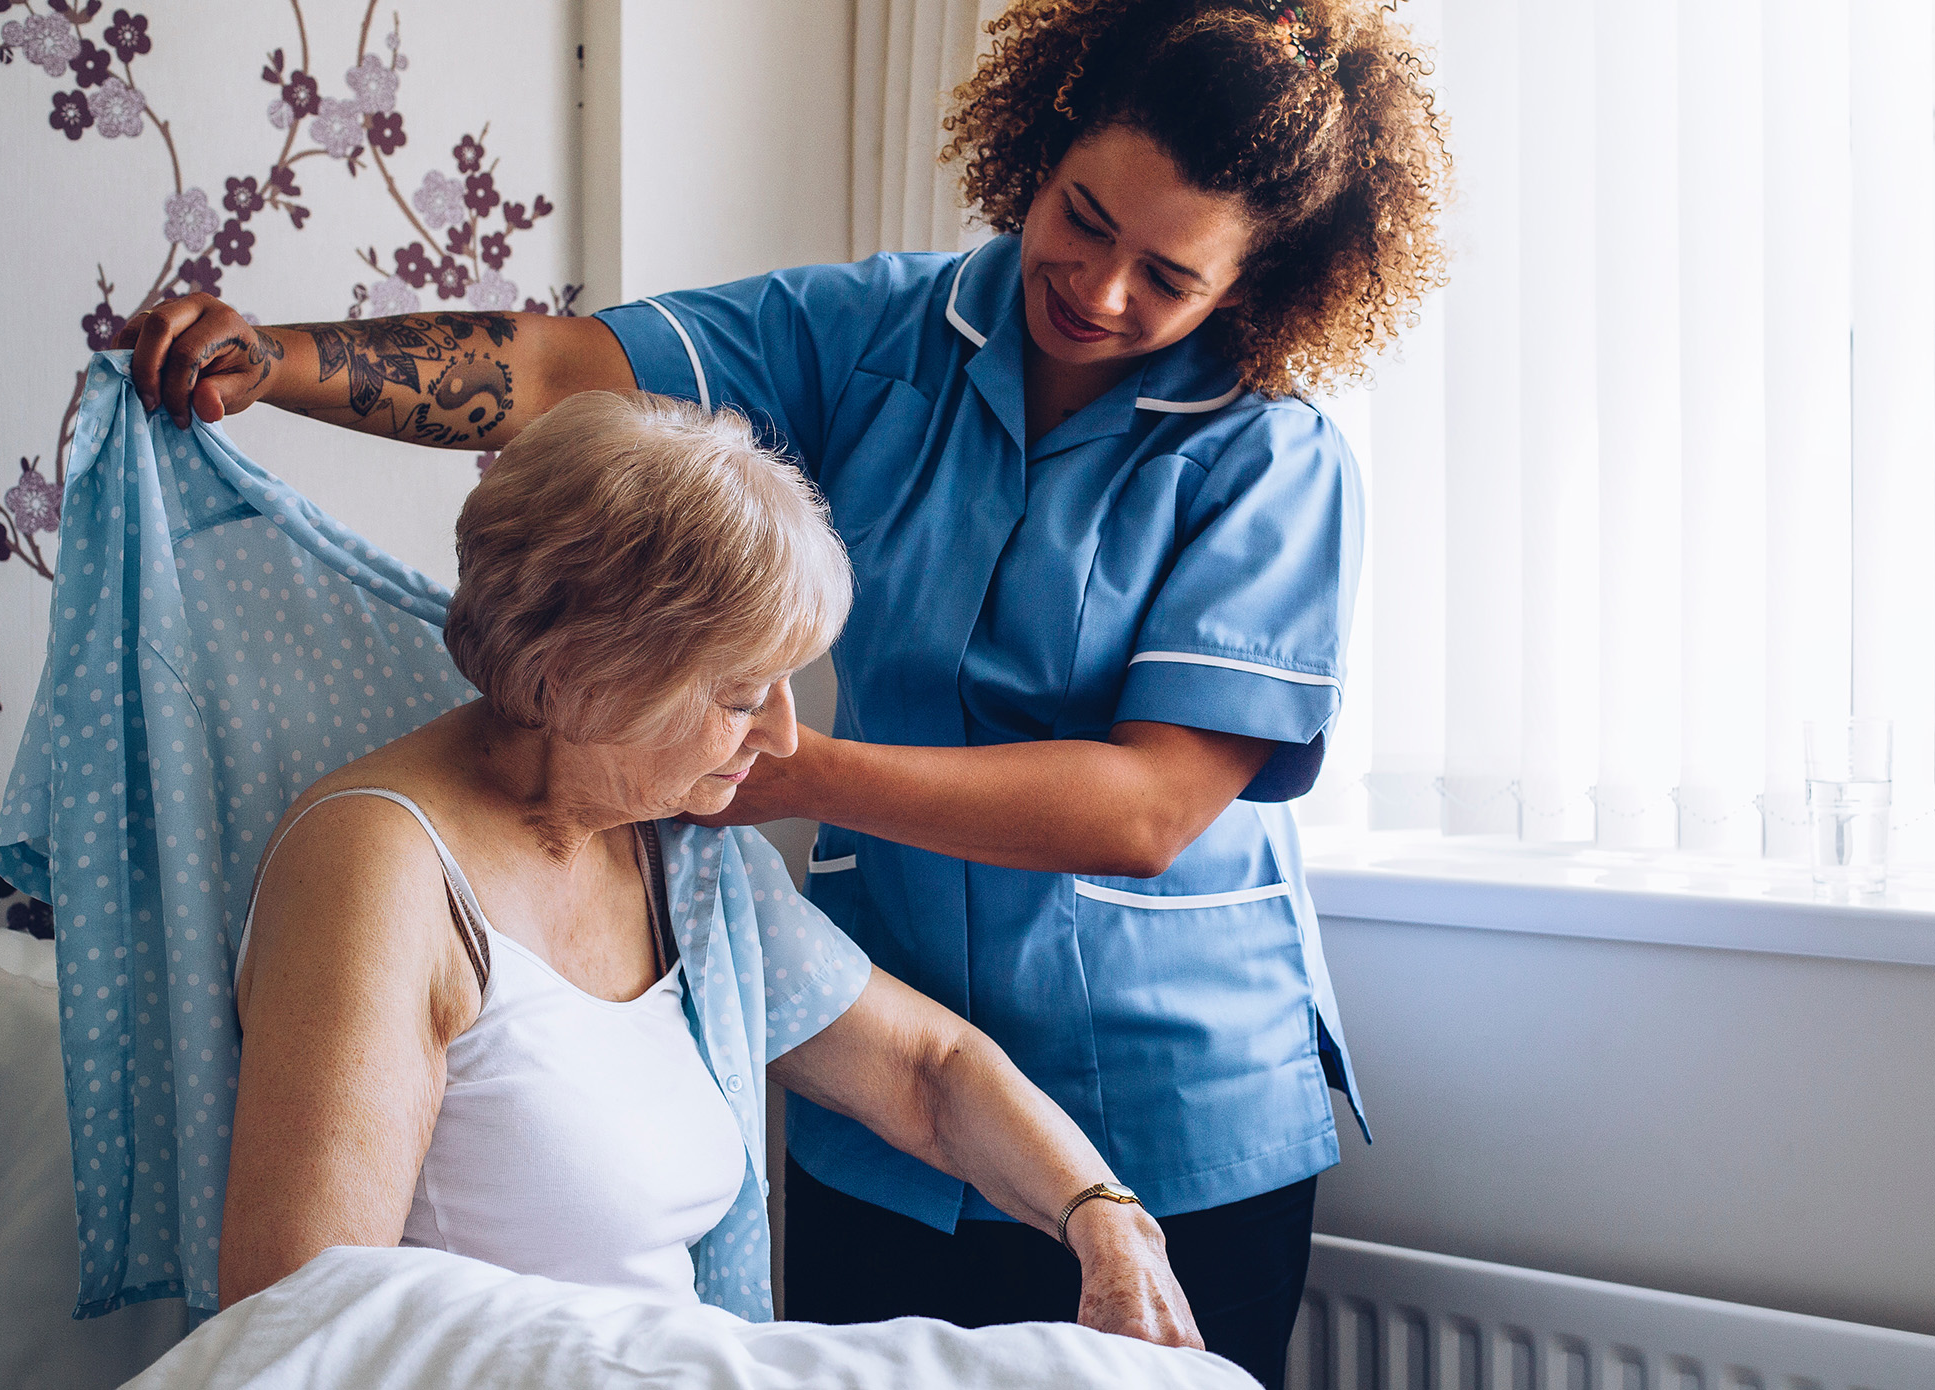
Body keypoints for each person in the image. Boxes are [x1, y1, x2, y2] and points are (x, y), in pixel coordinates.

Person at [123, 1, 1447, 1381]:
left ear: (1255, 283)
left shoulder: (1271, 456)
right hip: (888, 1106)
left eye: (1168, 275)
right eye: (1083, 218)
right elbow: (565, 371)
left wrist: (761, 763)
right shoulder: (873, 334)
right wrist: (276, 362)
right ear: (1043, 147)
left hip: (1174, 1104)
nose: (1102, 290)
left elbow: (1147, 809)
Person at [219, 389, 1200, 1352]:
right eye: (740, 696)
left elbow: (926, 1070)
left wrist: (1104, 1216)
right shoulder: (379, 870)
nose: (782, 736)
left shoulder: (679, 852)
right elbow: (298, 1325)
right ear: (576, 673)